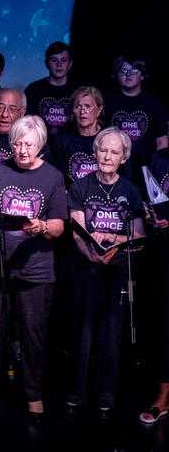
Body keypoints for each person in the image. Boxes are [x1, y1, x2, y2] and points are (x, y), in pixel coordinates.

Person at [0, 116, 67, 419]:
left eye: (28, 144)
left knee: (33, 334)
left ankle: (33, 393)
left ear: (40, 145)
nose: (22, 150)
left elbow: (58, 227)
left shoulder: (52, 177)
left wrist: (41, 226)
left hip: (35, 269)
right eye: (17, 143)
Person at [66, 127, 144, 420]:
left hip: (117, 272)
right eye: (103, 150)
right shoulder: (80, 187)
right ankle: (76, 392)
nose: (107, 156)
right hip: (85, 270)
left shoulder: (130, 190)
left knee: (111, 334)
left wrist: (116, 241)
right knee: (81, 332)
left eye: (114, 152)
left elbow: (138, 233)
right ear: (94, 152)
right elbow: (76, 231)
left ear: (123, 157)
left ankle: (106, 394)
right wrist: (91, 250)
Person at [139, 142, 169, 425]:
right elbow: (149, 198)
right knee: (164, 324)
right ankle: (163, 396)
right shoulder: (157, 159)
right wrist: (151, 217)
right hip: (163, 253)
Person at [104, 56, 168, 170]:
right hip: (115, 166)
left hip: (147, 166)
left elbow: (162, 141)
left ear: (142, 75)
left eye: (134, 70)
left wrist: (158, 168)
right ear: (116, 75)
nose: (128, 74)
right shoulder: (107, 103)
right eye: (123, 70)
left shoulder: (154, 104)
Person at [48, 86, 105, 184]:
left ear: (99, 110)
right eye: (78, 106)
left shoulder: (110, 139)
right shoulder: (62, 140)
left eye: (88, 106)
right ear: (73, 111)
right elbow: (55, 177)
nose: (82, 111)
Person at [25, 41, 76, 134]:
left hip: (70, 146)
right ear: (46, 63)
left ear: (70, 64)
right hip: (41, 145)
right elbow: (27, 125)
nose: (59, 65)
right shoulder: (33, 90)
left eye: (63, 60)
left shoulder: (78, 91)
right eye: (54, 60)